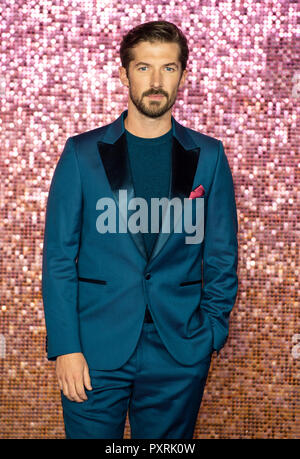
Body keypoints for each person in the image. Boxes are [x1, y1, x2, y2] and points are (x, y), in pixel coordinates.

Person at [42, 20, 238, 439]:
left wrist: (210, 334)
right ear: (124, 73)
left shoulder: (209, 156)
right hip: (93, 349)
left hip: (179, 351)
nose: (156, 81)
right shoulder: (81, 154)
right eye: (144, 67)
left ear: (183, 75)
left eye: (168, 68)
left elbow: (221, 256)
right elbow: (59, 258)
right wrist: (66, 347)